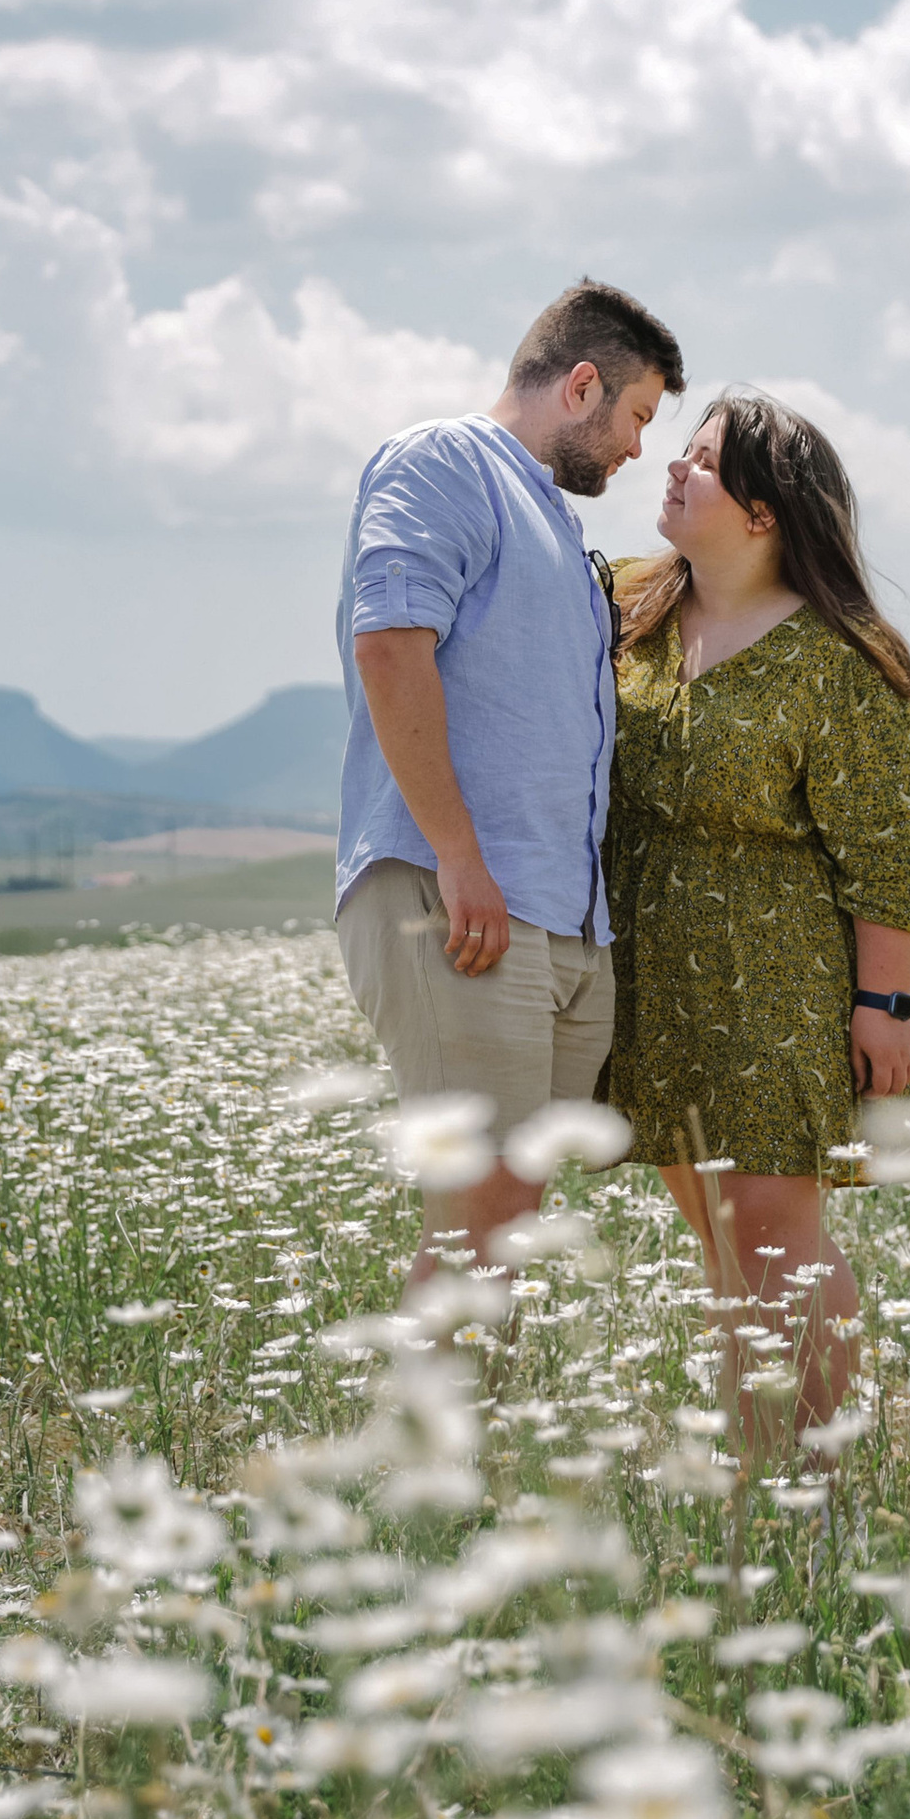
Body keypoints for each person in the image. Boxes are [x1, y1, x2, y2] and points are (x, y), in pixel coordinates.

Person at [601, 389, 910, 1457]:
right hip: (645, 973)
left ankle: (811, 1473)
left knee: (773, 1229)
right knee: (719, 1240)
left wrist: (884, 1005)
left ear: (762, 513)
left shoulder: (846, 658)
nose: (669, 469)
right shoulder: (624, 603)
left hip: (774, 974)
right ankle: (761, 1456)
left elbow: (887, 850)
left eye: (698, 462)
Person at [336, 280, 686, 1289]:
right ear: (581, 385)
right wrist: (458, 854)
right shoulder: (444, 462)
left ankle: (472, 1445)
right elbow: (390, 647)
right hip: (463, 900)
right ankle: (431, 1447)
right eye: (633, 418)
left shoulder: (559, 527)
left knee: (506, 1229)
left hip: (557, 921)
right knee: (476, 1227)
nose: (633, 451)